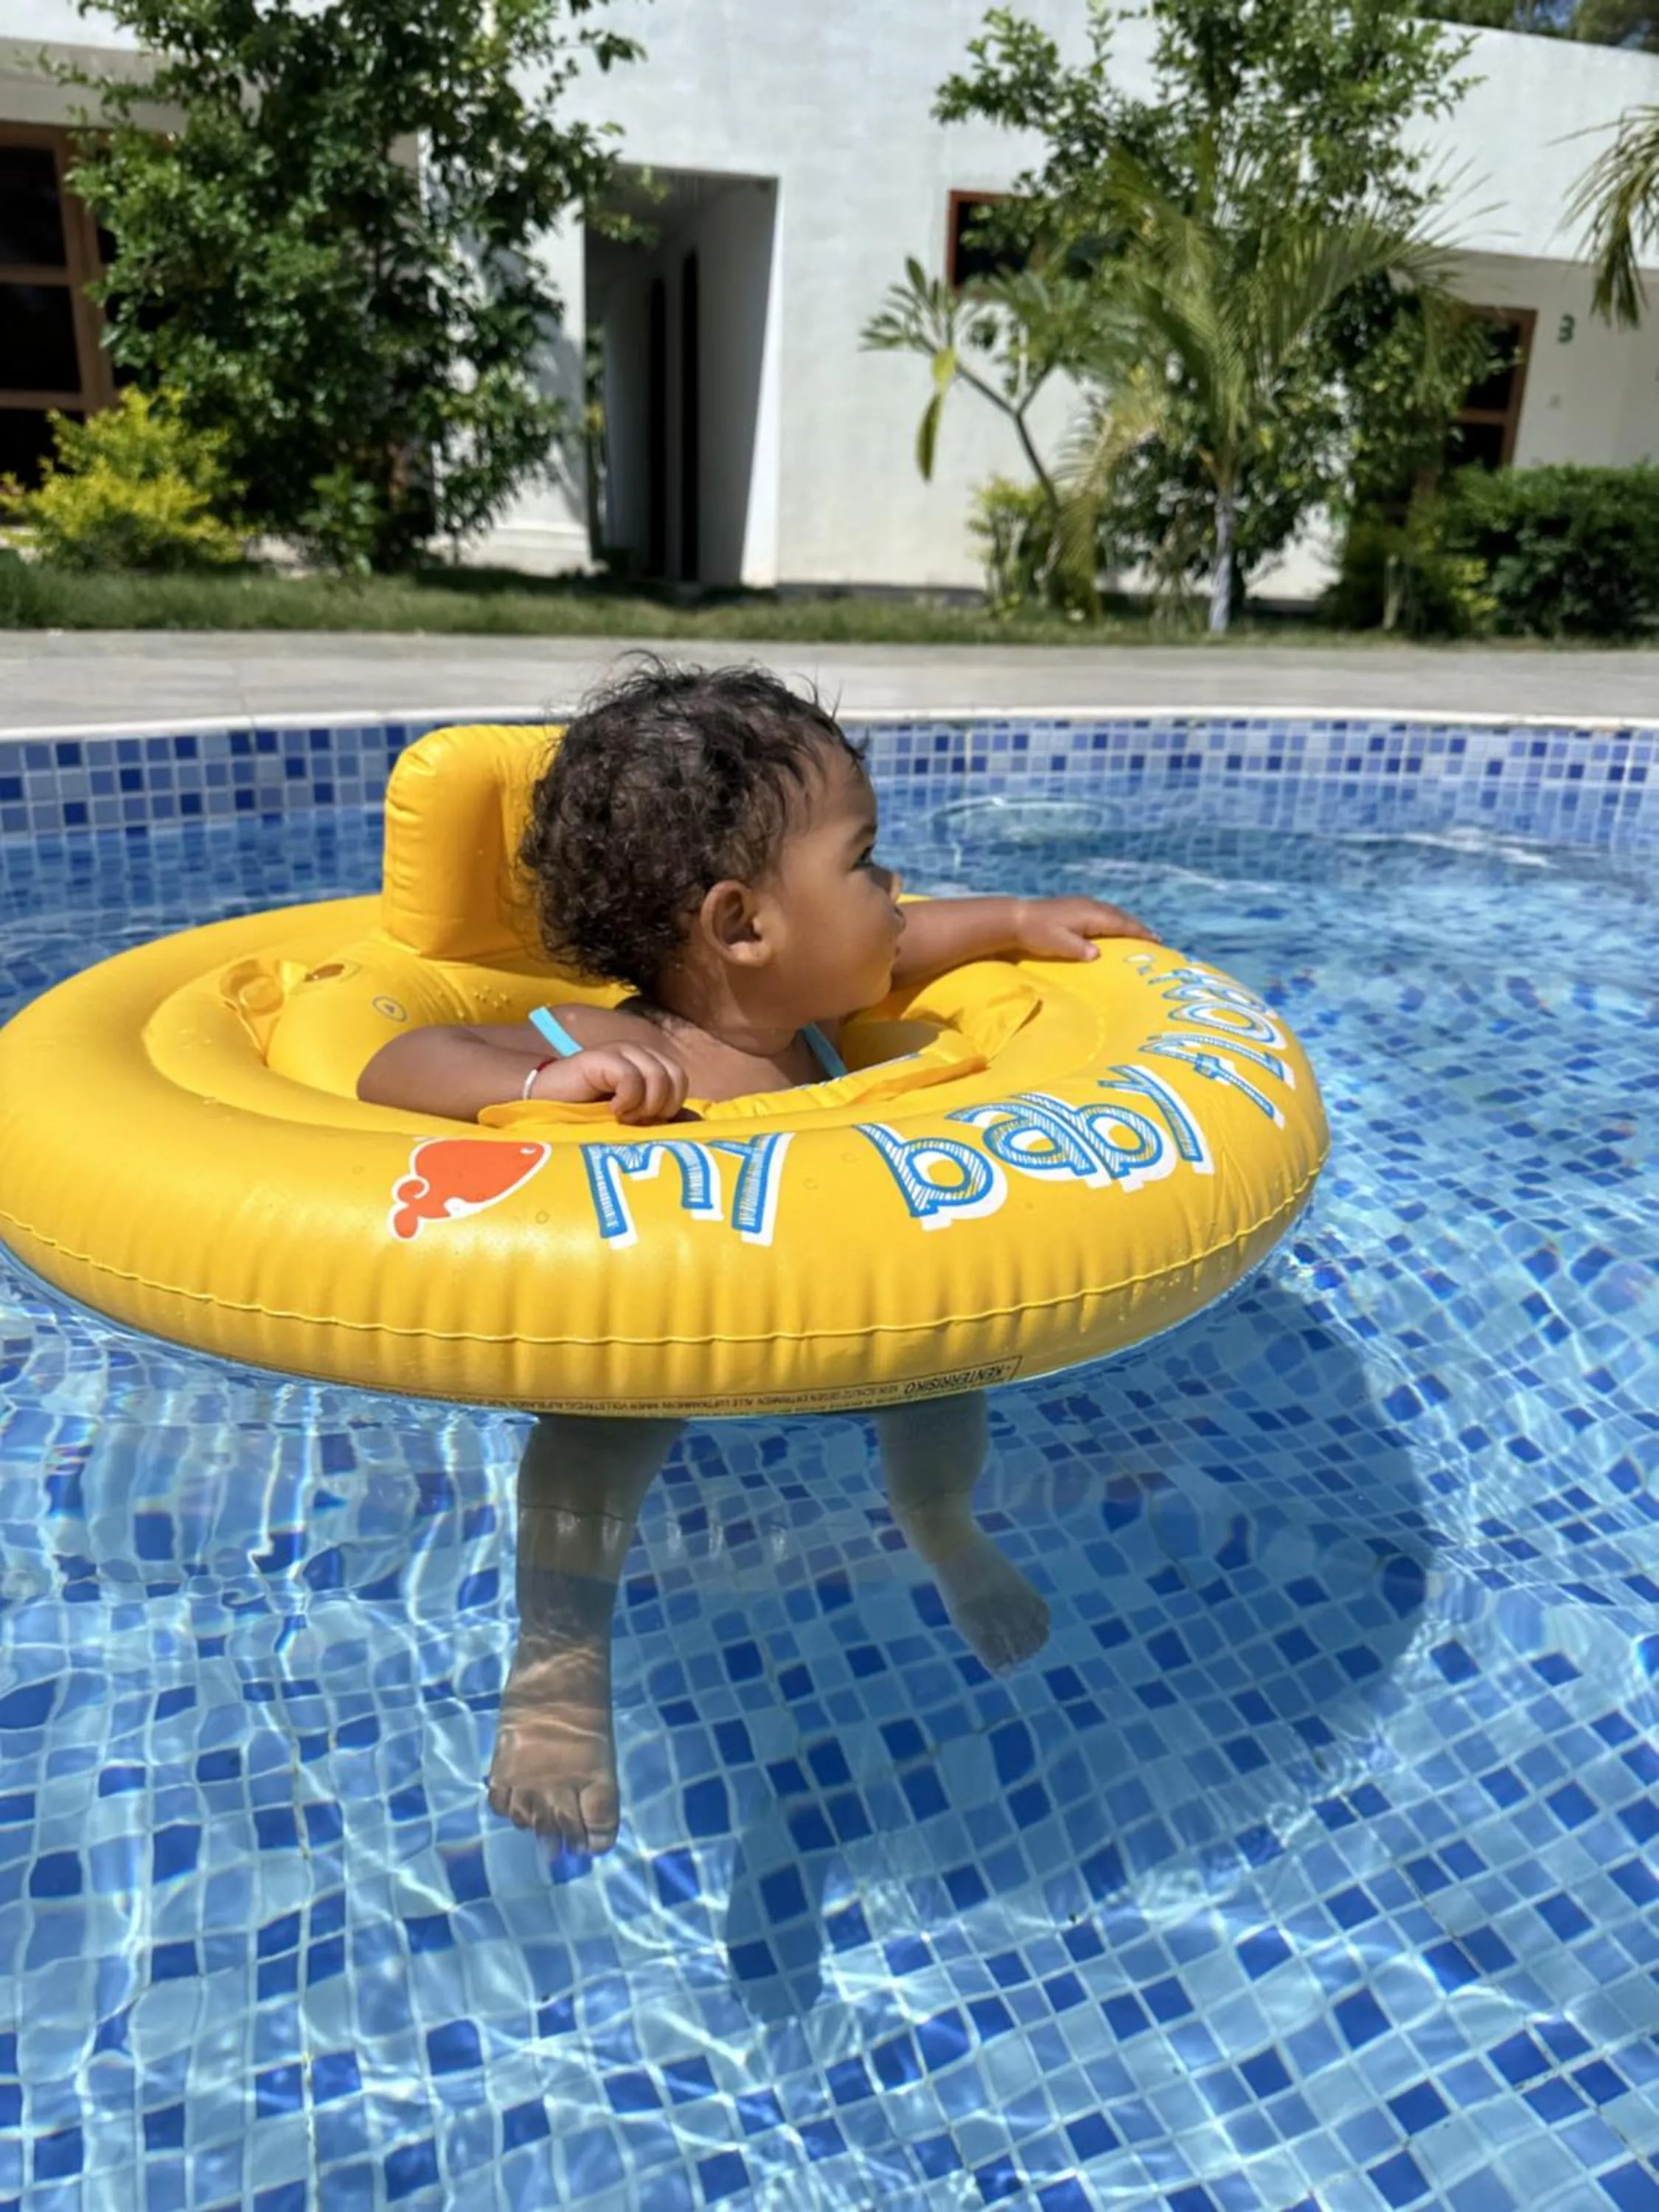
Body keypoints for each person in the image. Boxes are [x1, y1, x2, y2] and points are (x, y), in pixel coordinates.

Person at [359, 661, 1155, 1854]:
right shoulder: (605, 1035)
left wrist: (1012, 921)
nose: (895, 891)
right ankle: (559, 1666)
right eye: (864, 860)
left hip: (830, 1303)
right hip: (655, 1323)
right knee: (594, 1434)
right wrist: (550, 1082)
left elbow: (907, 942)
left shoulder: (807, 1020)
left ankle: (939, 1524)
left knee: (947, 1371)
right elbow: (397, 1065)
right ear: (741, 925)